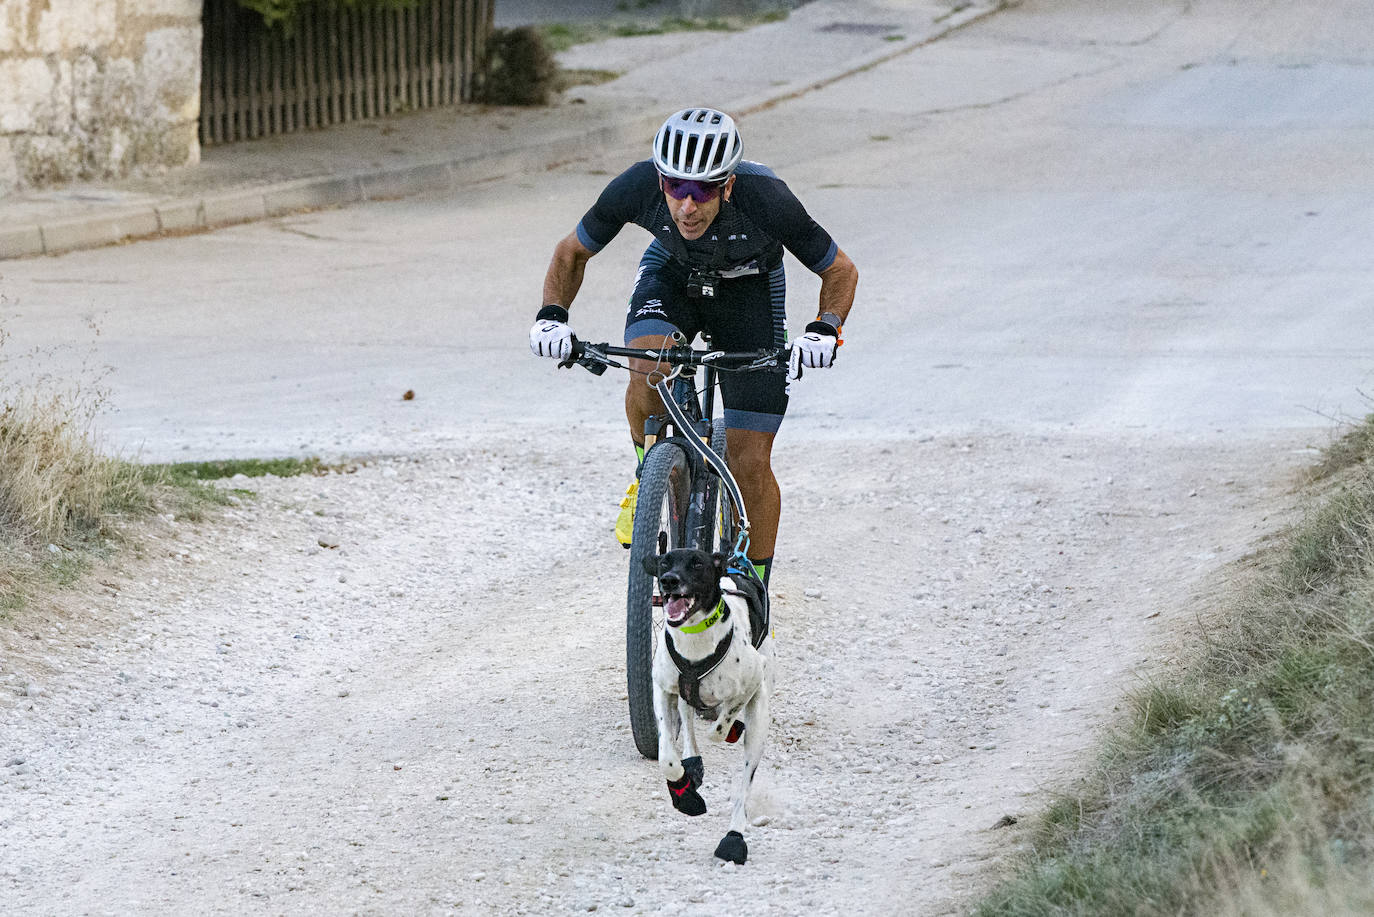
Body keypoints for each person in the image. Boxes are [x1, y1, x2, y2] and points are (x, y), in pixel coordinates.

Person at [530, 107, 858, 587]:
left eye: (703, 189)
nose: (687, 205)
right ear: (660, 180)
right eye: (675, 187)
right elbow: (571, 252)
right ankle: (650, 473)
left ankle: (753, 582)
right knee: (649, 364)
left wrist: (825, 328)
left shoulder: (768, 199)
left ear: (727, 186)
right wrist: (551, 316)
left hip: (750, 289)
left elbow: (840, 270)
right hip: (673, 273)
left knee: (749, 458)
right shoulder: (636, 186)